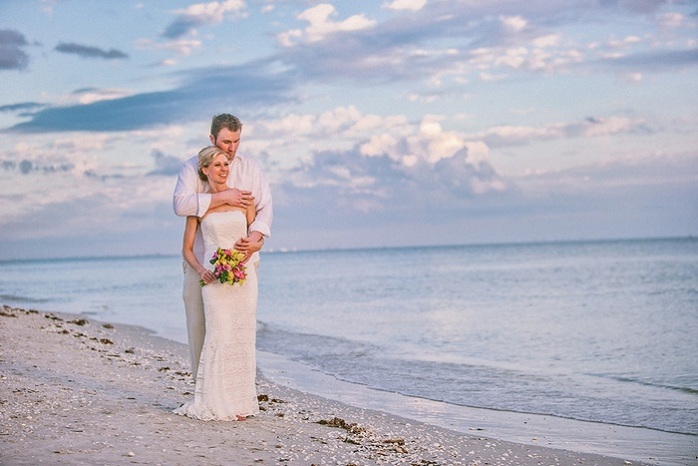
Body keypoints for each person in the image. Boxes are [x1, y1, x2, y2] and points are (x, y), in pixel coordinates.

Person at [173, 114, 272, 379]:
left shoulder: (250, 167)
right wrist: (223, 197)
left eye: (236, 141)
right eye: (226, 141)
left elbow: (263, 210)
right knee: (199, 324)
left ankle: (236, 389)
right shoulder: (192, 167)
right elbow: (181, 205)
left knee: (239, 328)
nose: (232, 148)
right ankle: (203, 388)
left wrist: (256, 239)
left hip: (243, 261)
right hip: (202, 261)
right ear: (212, 138)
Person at [174, 146, 259, 421]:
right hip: (213, 279)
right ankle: (215, 400)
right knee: (219, 335)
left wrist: (248, 252)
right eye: (218, 165)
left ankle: (240, 403)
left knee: (241, 337)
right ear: (205, 170)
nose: (224, 168)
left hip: (243, 279)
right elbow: (187, 249)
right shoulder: (198, 205)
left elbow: (255, 238)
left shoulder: (244, 200)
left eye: (226, 164)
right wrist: (201, 270)